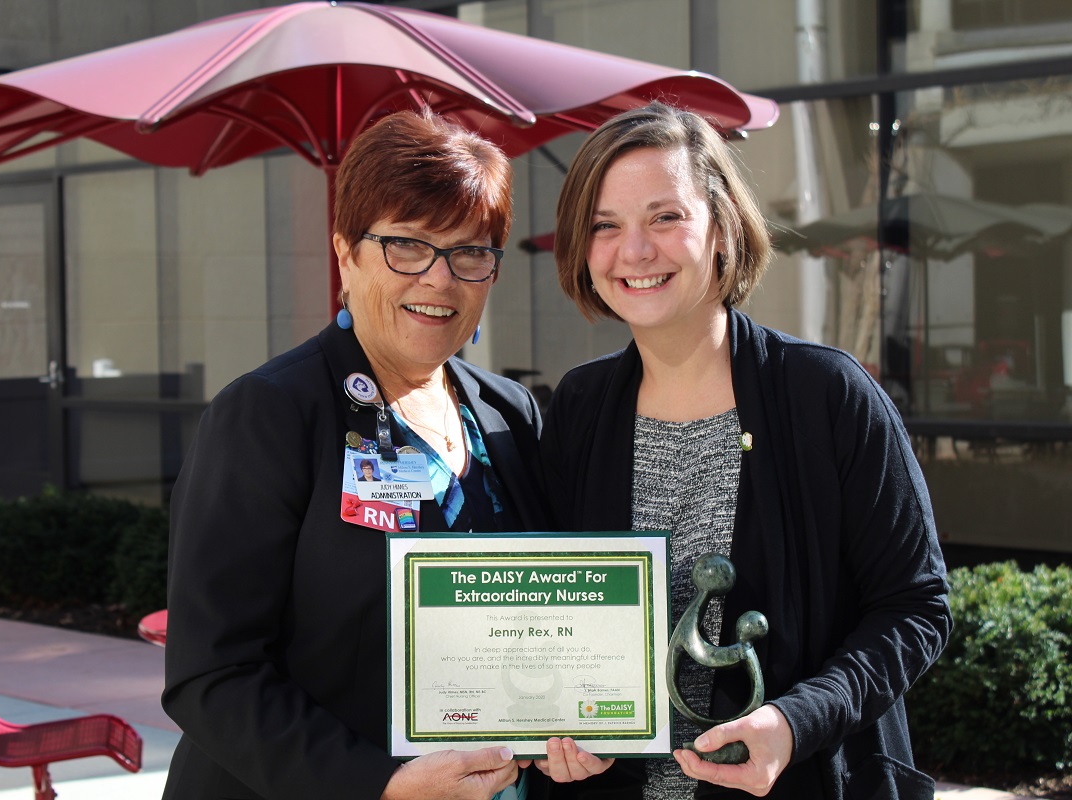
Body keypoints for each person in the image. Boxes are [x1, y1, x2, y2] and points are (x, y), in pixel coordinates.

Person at [162, 109, 610, 800]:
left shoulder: (506, 414)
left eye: (470, 251)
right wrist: (381, 787)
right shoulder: (271, 414)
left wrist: (573, 721)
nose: (439, 279)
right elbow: (210, 677)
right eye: (408, 245)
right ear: (346, 253)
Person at [539, 102, 952, 799]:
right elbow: (549, 610)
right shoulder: (579, 409)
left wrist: (795, 721)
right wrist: (546, 728)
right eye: (605, 226)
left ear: (723, 228)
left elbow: (918, 606)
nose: (634, 251)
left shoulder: (827, 395)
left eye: (665, 217)